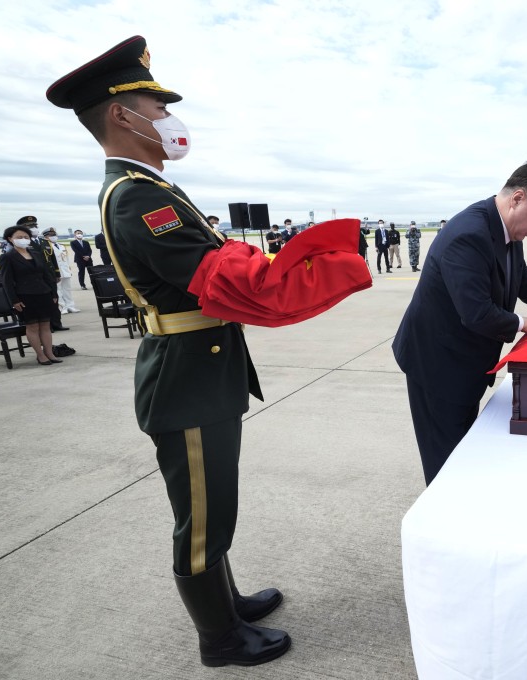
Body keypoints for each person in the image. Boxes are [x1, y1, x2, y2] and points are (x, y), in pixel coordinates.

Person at [44, 34, 346, 667]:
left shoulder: (148, 188)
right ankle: (220, 639)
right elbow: (222, 276)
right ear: (122, 116)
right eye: (157, 108)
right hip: (186, 377)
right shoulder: (139, 196)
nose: (169, 120)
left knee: (216, 499)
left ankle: (227, 604)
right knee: (202, 514)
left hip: (201, 367)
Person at [392, 159, 527, 485]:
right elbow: (477, 313)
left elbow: (523, 280)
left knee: (463, 447)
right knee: (447, 459)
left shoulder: (505, 230)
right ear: (518, 198)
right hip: (437, 364)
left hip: (465, 361)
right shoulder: (469, 235)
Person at [0, 225, 61, 365]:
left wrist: (53, 293)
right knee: (32, 327)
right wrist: (14, 300)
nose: (23, 239)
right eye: (19, 237)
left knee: (46, 325)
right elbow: (7, 282)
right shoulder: (7, 257)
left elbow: (47, 275)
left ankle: (49, 353)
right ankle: (40, 355)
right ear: (10, 239)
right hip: (25, 296)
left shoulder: (36, 253)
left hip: (44, 293)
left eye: (26, 237)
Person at [44, 228, 80, 313]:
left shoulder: (62, 245)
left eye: (54, 235)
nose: (54, 237)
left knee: (67, 289)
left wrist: (68, 269)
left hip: (65, 270)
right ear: (46, 237)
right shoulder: (47, 247)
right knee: (58, 290)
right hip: (56, 272)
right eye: (51, 235)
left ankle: (70, 306)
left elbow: (66, 259)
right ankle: (62, 307)